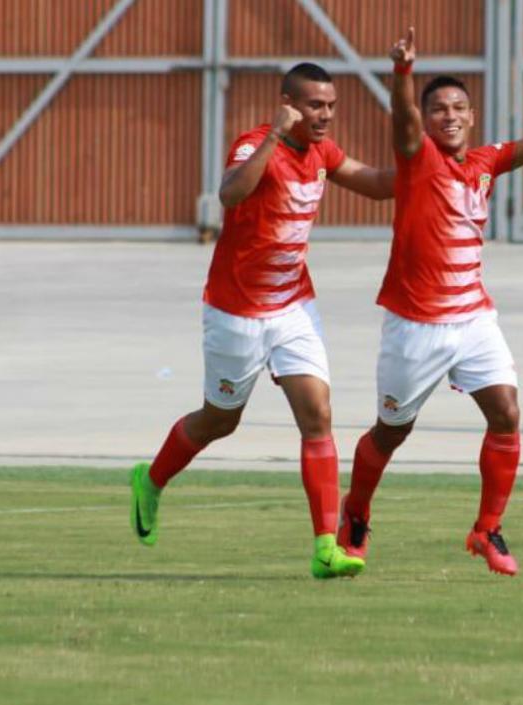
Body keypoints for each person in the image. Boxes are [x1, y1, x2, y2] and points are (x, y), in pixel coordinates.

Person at [337, 28, 523, 576]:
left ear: (471, 117)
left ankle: (487, 530)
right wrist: (403, 74)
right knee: (391, 431)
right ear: (426, 120)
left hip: (474, 317)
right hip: (415, 326)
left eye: (458, 107)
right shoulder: (418, 158)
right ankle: (355, 515)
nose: (448, 115)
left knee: (507, 412)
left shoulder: (484, 162)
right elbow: (402, 123)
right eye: (438, 109)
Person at [130, 62, 394, 579]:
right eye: (315, 106)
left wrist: (426, 168)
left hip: (294, 306)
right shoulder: (255, 144)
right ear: (288, 103)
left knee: (317, 414)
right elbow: (230, 193)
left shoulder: (323, 152)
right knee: (220, 420)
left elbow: (374, 182)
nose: (325, 116)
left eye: (331, 107)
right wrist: (275, 132)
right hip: (236, 311)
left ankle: (325, 548)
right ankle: (152, 480)